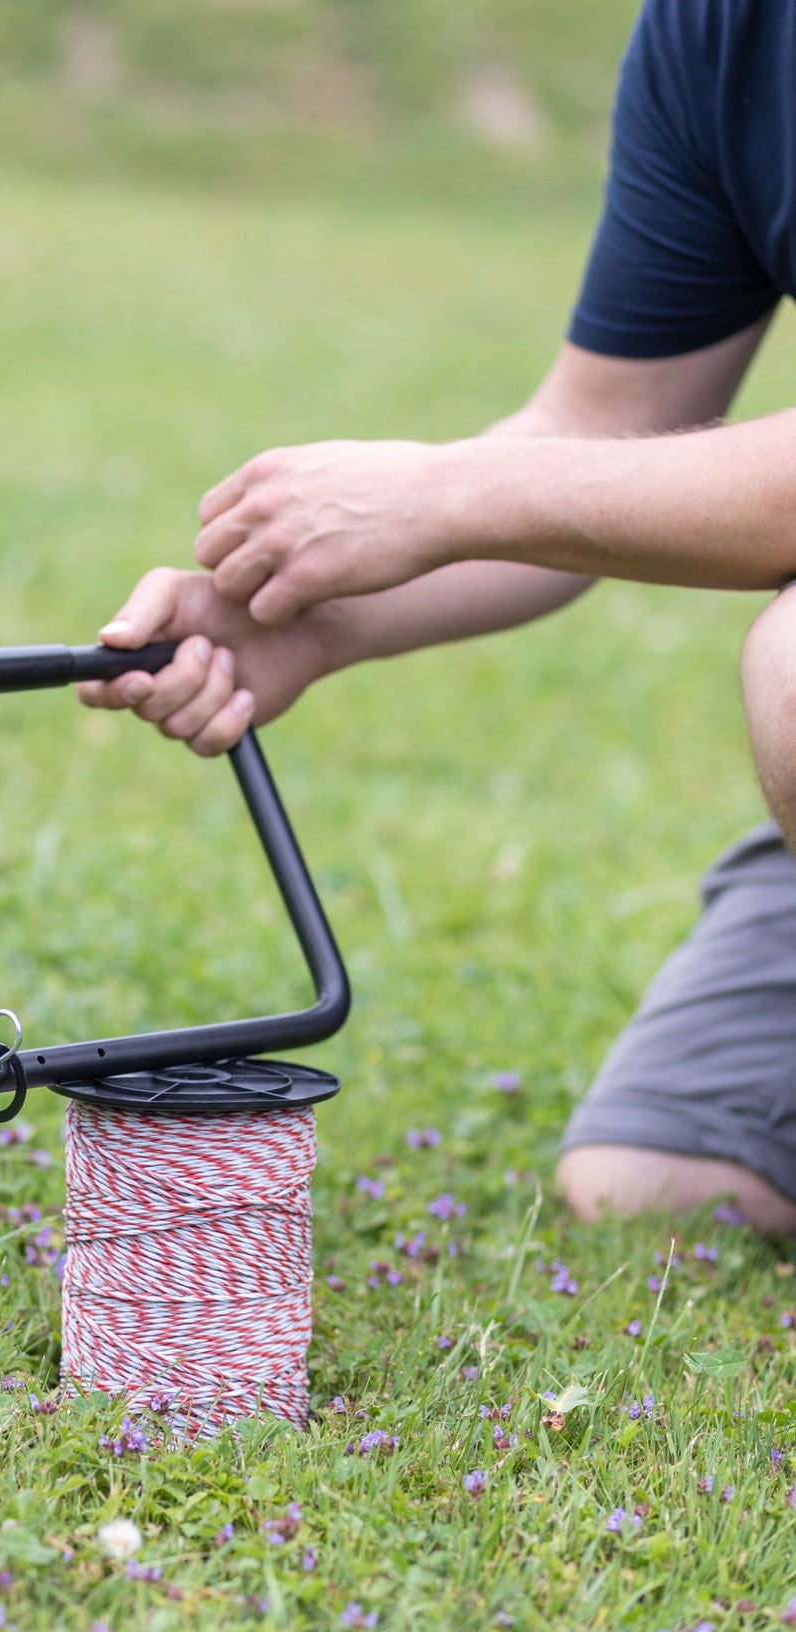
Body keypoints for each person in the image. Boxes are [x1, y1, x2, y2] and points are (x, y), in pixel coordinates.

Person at [77, 0, 796, 1236]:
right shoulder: (715, 34)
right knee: (665, 1181)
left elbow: (516, 492)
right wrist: (312, 619)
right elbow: (595, 432)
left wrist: (446, 491)